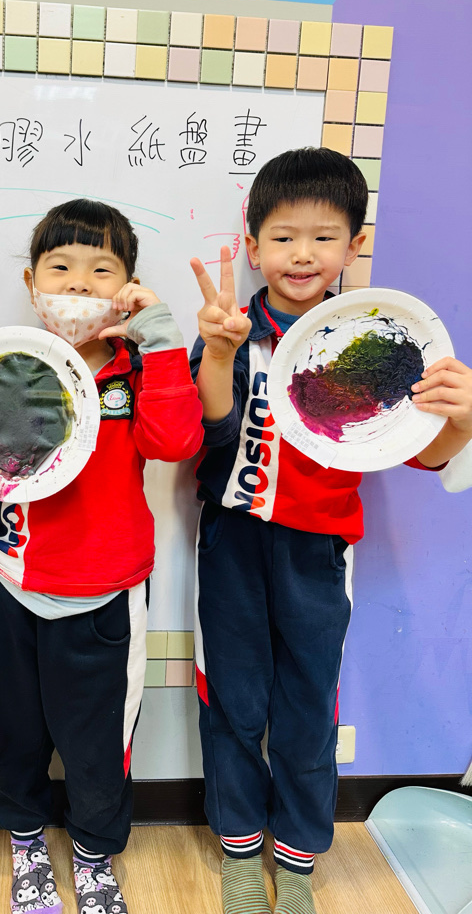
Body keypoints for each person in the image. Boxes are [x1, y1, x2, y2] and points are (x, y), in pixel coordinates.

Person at [189, 147, 472, 914]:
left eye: (324, 236)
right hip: (232, 543)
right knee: (233, 702)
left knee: (309, 706)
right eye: (283, 237)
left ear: (355, 244)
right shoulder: (230, 329)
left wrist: (464, 417)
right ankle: (240, 851)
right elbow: (210, 431)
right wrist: (218, 351)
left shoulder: (374, 339)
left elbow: (426, 453)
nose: (302, 253)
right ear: (253, 247)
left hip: (319, 553)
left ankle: (298, 861)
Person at [0, 199, 204, 914]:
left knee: (98, 743)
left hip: (108, 592)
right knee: (10, 731)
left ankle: (94, 853)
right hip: (14, 583)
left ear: (126, 286)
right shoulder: (2, 367)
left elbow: (176, 443)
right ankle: (25, 841)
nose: (79, 283)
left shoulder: (135, 373)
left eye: (101, 270)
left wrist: (161, 336)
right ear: (31, 282)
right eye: (61, 267)